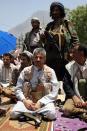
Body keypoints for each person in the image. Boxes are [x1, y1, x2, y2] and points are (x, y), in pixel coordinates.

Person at [10, 48, 59, 120]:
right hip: (28, 100)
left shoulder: (51, 71)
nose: (38, 59)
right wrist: (25, 101)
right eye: (36, 57)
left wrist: (41, 102)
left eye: (41, 57)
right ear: (33, 58)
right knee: (13, 114)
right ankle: (37, 114)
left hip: (44, 102)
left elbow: (55, 92)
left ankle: (29, 114)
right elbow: (18, 89)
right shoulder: (25, 71)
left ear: (45, 59)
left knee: (52, 114)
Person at [43, 1, 79, 80]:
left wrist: (73, 52)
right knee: (51, 78)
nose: (55, 12)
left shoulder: (66, 24)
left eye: (57, 10)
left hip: (64, 56)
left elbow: (75, 40)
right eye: (53, 10)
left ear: (61, 11)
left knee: (65, 79)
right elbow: (44, 41)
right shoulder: (49, 26)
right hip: (50, 57)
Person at [62, 44, 87, 118]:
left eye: (74, 52)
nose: (71, 54)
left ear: (81, 53)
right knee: (66, 110)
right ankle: (84, 112)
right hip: (74, 96)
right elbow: (66, 85)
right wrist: (74, 97)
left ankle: (80, 111)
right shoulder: (69, 66)